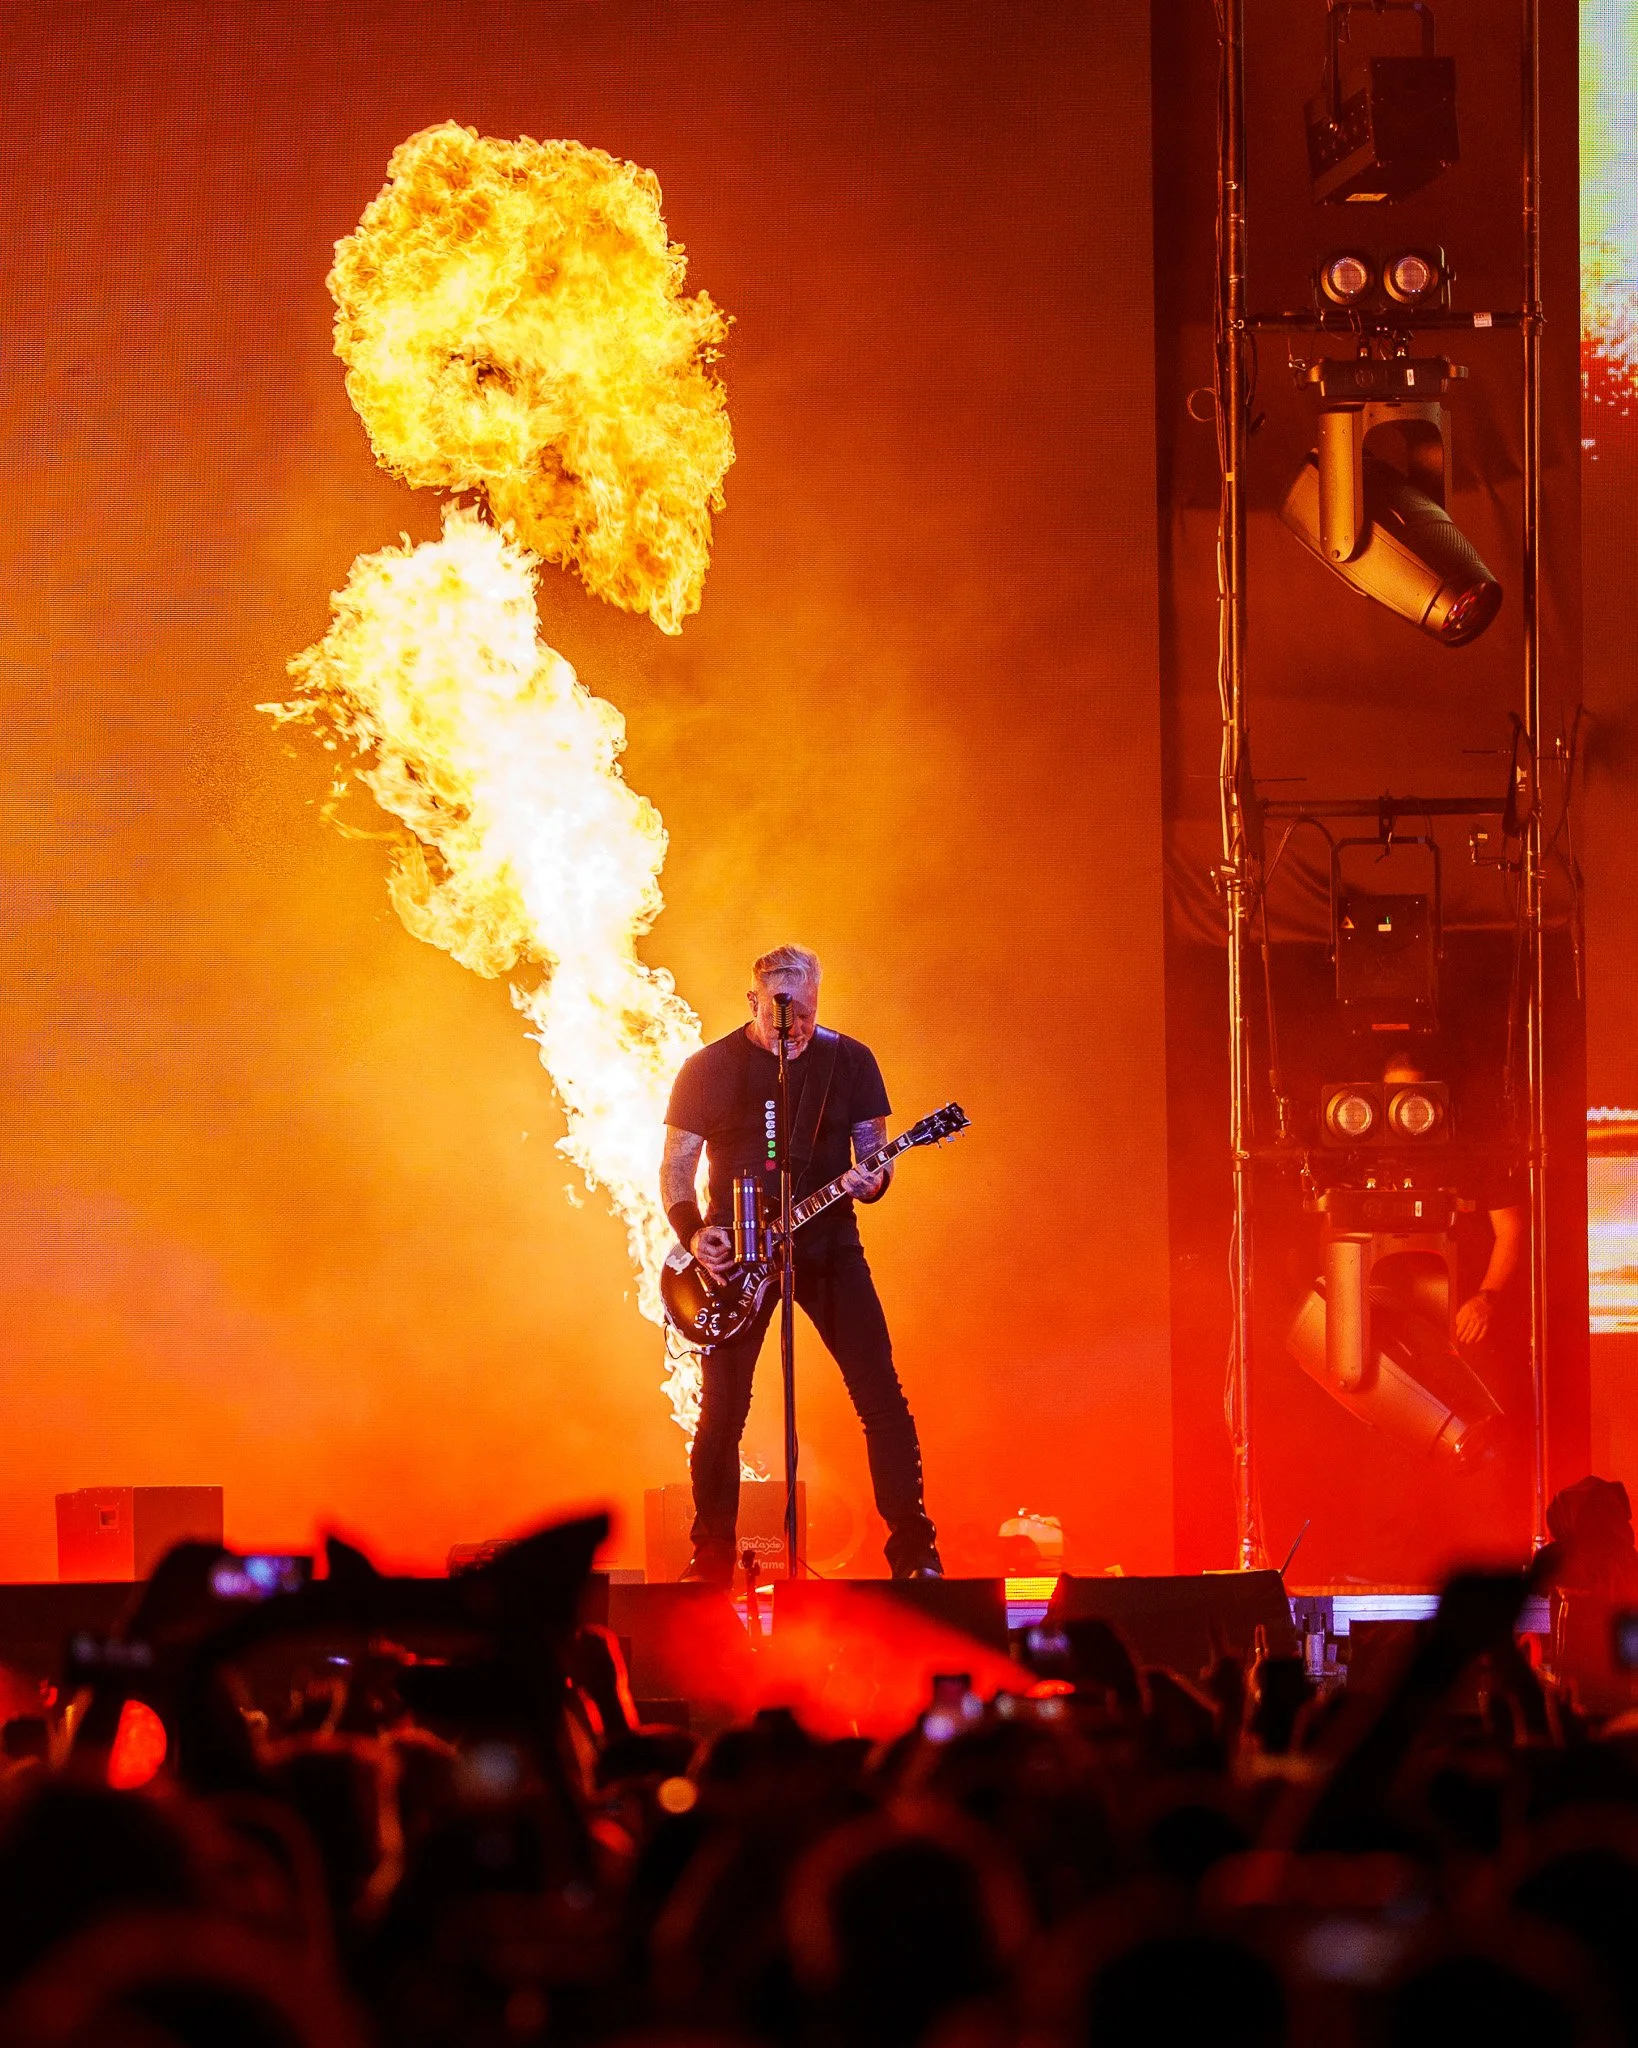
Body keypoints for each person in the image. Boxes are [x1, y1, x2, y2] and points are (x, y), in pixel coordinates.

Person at [660, 945, 941, 1584]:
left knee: (879, 1392)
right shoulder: (708, 1068)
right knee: (722, 1411)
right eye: (780, 1015)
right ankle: (712, 1554)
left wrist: (874, 1180)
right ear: (753, 1003)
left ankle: (914, 1550)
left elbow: (875, 1157)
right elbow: (676, 1165)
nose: (795, 1029)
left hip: (828, 1245)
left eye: (807, 1014)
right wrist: (695, 1233)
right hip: (736, 1259)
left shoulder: (851, 1060)